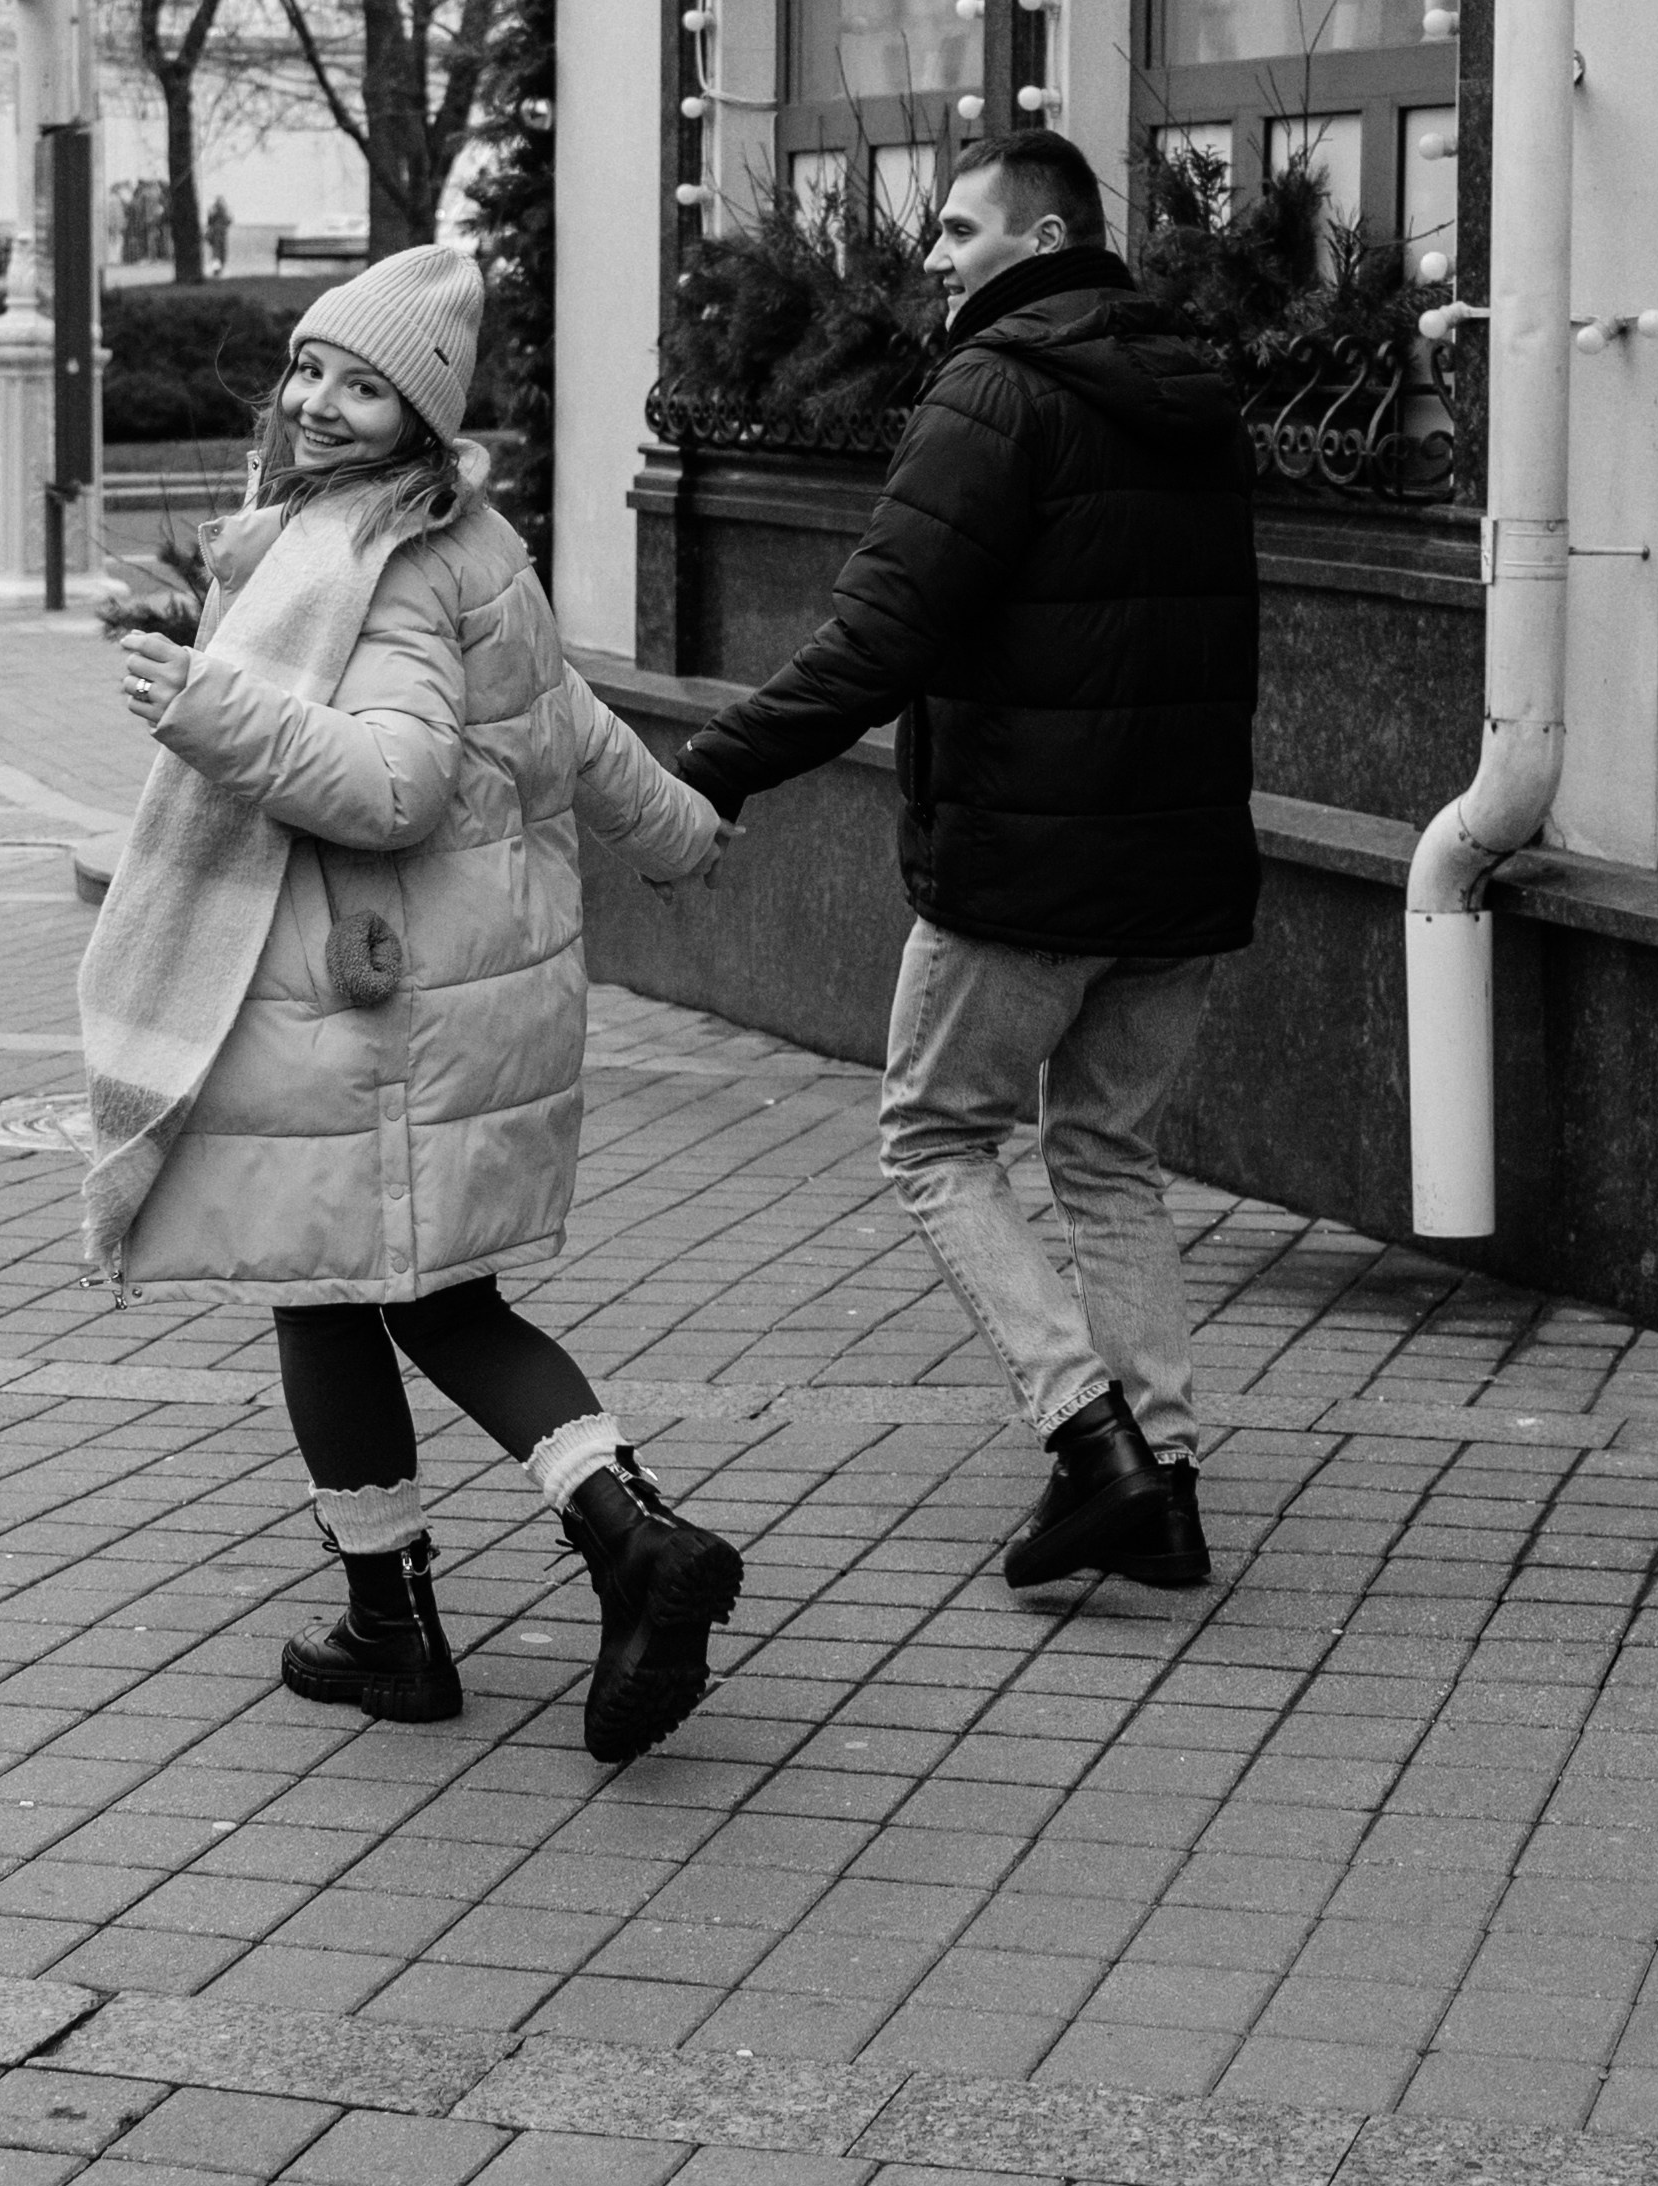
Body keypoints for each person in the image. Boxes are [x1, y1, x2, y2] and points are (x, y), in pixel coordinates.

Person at [81, 243, 743, 1765]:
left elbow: (393, 783)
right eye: (311, 368)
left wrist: (201, 702)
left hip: (370, 994)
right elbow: (568, 719)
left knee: (332, 1290)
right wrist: (684, 833)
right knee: (437, 1298)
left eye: (361, 388)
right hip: (458, 989)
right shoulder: (469, 541)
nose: (316, 403)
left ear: (419, 420)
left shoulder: (370, 563)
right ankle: (618, 1536)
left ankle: (419, 1619)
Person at [674, 129, 1259, 1595]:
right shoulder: (1188, 395)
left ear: (1046, 239)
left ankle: (1092, 1440)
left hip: (1026, 863)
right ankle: (1166, 1489)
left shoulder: (994, 393)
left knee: (936, 1140)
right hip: (1179, 856)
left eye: (958, 228)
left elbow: (878, 638)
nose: (932, 256)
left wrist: (713, 768)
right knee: (1109, 1159)